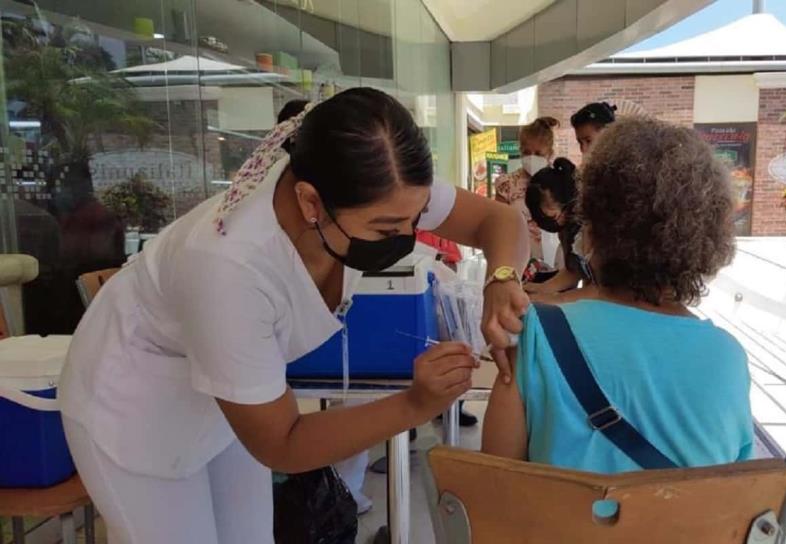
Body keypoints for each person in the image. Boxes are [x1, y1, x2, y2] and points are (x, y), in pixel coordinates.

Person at [58, 88, 529, 543]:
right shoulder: (229, 267)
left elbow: (499, 221)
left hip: (225, 402)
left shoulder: (378, 184)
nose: (409, 235)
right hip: (136, 403)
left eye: (417, 217)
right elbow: (282, 442)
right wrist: (414, 405)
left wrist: (502, 278)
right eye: (386, 228)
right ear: (310, 203)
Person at [482, 117, 753, 473]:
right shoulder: (727, 357)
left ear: (591, 229)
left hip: (557, 528)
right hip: (684, 529)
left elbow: (493, 485)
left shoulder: (532, 336)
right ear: (707, 240)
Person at [494, 116, 559, 262]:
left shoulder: (559, 182)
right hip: (516, 258)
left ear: (549, 153)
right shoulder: (507, 183)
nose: (531, 158)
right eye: (526, 152)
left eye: (538, 154)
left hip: (554, 258)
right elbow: (498, 224)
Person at [522, 158, 587, 300]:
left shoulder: (589, 228)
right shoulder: (565, 228)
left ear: (568, 203)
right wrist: (541, 288)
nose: (545, 224)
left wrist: (550, 298)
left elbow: (600, 290)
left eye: (551, 217)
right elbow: (573, 272)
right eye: (539, 219)